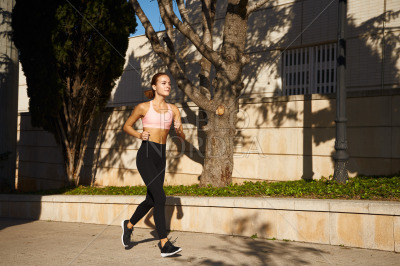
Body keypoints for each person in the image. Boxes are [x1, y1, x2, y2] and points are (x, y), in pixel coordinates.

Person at [120, 73, 185, 258]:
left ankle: (129, 224)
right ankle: (164, 244)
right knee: (160, 197)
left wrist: (180, 131)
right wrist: (139, 135)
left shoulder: (173, 109)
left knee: (151, 199)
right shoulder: (143, 107)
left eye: (169, 83)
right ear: (154, 86)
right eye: (163, 83)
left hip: (161, 156)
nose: (168, 86)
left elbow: (181, 134)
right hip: (147, 154)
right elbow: (127, 126)